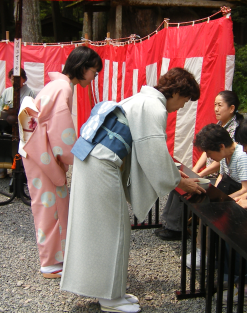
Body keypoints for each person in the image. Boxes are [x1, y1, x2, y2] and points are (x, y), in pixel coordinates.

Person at [61, 67, 205, 313]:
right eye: (185, 100)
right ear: (177, 92)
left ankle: (112, 292)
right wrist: (181, 182)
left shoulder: (143, 99)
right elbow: (155, 156)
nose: (182, 107)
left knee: (108, 230)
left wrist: (172, 172)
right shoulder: (155, 107)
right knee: (112, 231)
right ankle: (110, 299)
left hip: (94, 159)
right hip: (101, 164)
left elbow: (151, 151)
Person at [18, 46, 102, 279]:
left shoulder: (56, 85)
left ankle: (55, 257)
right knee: (51, 206)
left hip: (36, 148)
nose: (94, 77)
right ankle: (51, 263)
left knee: (47, 205)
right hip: (41, 151)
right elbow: (60, 130)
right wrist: (76, 155)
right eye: (94, 72)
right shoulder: (63, 88)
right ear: (83, 68)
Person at [155, 90, 244, 240]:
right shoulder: (220, 125)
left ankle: (176, 227)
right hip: (212, 174)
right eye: (215, 105)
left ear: (231, 108)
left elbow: (221, 159)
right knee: (179, 181)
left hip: (219, 177)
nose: (216, 109)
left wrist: (200, 174)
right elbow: (206, 150)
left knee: (189, 185)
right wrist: (195, 170)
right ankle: (170, 223)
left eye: (220, 105)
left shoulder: (235, 130)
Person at [190, 123, 247, 306]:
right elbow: (222, 176)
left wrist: (225, 199)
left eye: (210, 154)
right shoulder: (227, 155)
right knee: (209, 219)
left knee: (231, 233)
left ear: (221, 146)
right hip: (231, 195)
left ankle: (242, 285)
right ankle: (224, 272)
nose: (210, 158)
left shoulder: (242, 157)